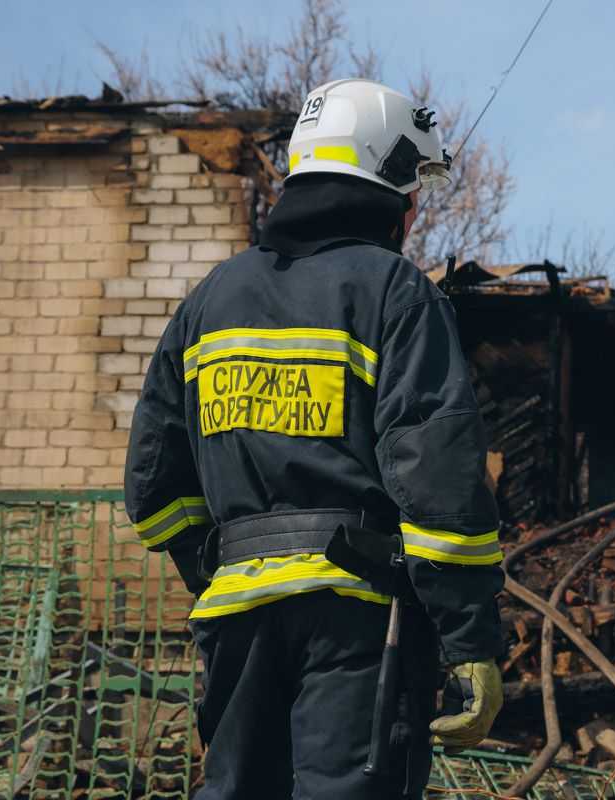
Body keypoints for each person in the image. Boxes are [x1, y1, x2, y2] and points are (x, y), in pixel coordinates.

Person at [124, 79, 505, 799]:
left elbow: (151, 488)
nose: (415, 213)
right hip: (359, 619)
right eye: (413, 192)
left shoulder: (209, 300)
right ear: (390, 188)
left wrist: (226, 566)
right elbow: (436, 477)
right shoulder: (395, 290)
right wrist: (471, 640)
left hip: (235, 616)